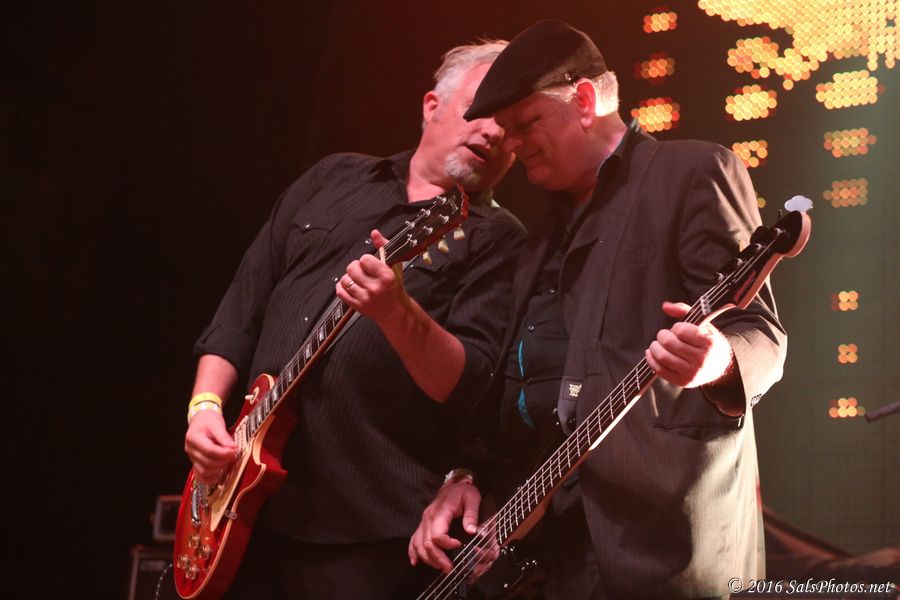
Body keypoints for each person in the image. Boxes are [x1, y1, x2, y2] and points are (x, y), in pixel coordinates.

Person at [409, 20, 787, 600]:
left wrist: (717, 361)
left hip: (657, 544)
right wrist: (467, 474)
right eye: (506, 131)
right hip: (543, 552)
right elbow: (515, 382)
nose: (512, 144)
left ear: (584, 100)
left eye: (525, 124)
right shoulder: (539, 234)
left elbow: (760, 333)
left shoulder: (691, 172)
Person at [183, 40, 526, 599]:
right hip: (244, 509)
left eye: (510, 126)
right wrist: (204, 410)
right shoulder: (334, 177)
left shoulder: (501, 240)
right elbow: (240, 309)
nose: (492, 132)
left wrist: (397, 312)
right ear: (432, 106)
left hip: (369, 530)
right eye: (480, 110)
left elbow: (469, 387)